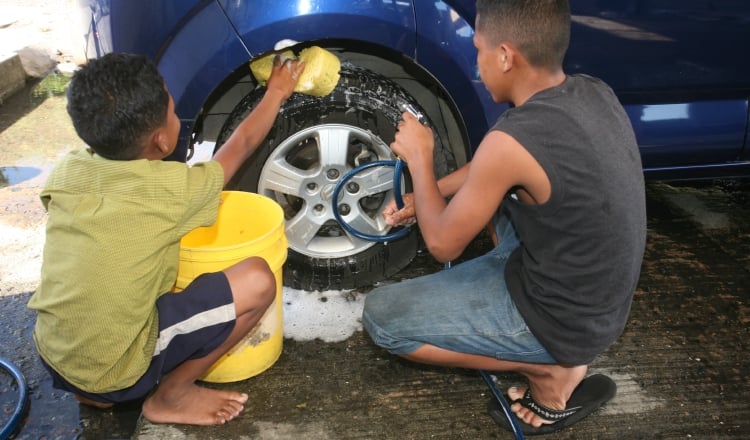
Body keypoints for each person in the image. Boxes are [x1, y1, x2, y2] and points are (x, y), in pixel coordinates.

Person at [362, 0, 646, 435]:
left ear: (506, 56)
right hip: (601, 303)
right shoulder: (592, 91)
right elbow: (494, 171)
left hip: (565, 321)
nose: (477, 65)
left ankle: (550, 371)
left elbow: (442, 245)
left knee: (382, 318)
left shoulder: (510, 140)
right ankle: (545, 341)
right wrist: (427, 196)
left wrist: (422, 158)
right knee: (498, 198)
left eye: (478, 50)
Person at [27, 52, 305, 426]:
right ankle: (169, 395)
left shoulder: (69, 169)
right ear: (161, 142)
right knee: (257, 280)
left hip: (54, 351)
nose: (177, 118)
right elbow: (239, 146)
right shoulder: (169, 192)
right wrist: (276, 93)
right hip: (118, 369)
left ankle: (92, 391)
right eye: (174, 113)